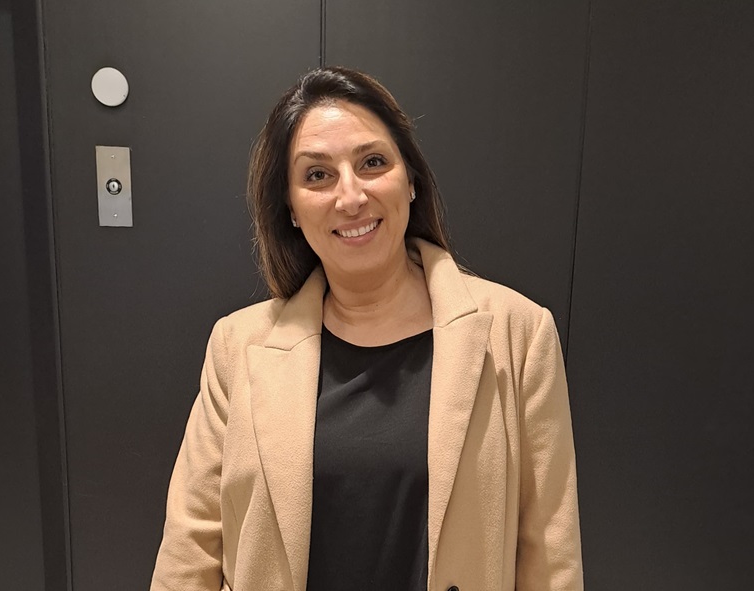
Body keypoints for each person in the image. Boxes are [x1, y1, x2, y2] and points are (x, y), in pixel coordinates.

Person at [151, 66, 583, 591]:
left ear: (411, 179)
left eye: (372, 162)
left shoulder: (519, 334)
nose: (351, 196)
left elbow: (550, 556)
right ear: (290, 208)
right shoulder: (237, 346)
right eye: (317, 175)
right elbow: (190, 550)